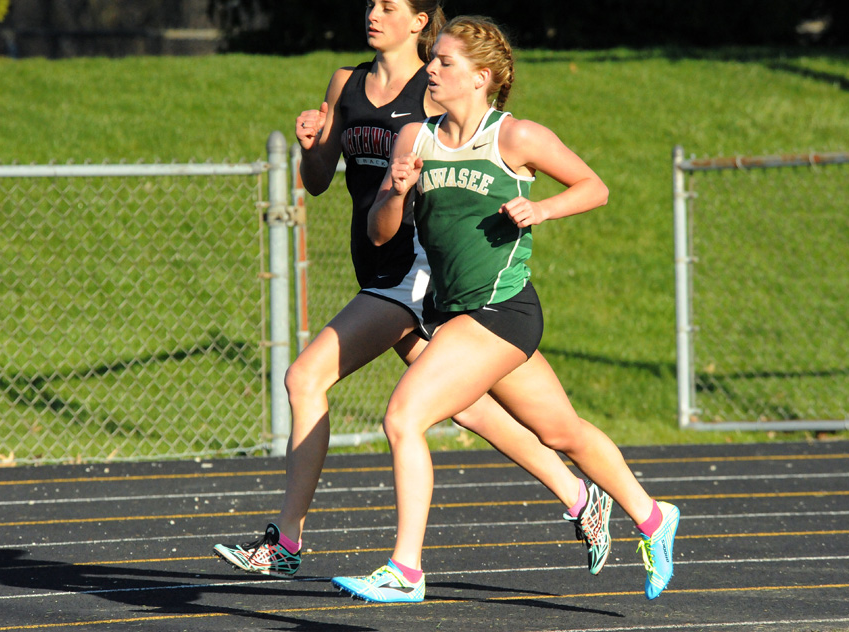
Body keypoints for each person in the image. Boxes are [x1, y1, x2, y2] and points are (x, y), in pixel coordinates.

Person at [213, 0, 615, 582]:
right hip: (375, 267)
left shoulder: (435, 89)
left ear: (420, 20)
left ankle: (289, 541)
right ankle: (579, 496)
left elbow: (481, 148)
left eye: (390, 5)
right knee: (473, 408)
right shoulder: (346, 82)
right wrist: (310, 144)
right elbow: (319, 181)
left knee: (306, 377)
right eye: (371, 3)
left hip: (415, 272)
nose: (374, 13)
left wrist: (526, 206)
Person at [331, 16, 680, 605]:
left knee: (403, 417)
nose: (432, 70)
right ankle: (652, 516)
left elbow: (594, 187)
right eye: (433, 60)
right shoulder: (415, 137)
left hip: (501, 310)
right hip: (456, 311)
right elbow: (382, 232)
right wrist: (394, 190)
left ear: (481, 77)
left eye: (444, 62)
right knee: (560, 431)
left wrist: (540, 209)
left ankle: (405, 571)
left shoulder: (514, 138)